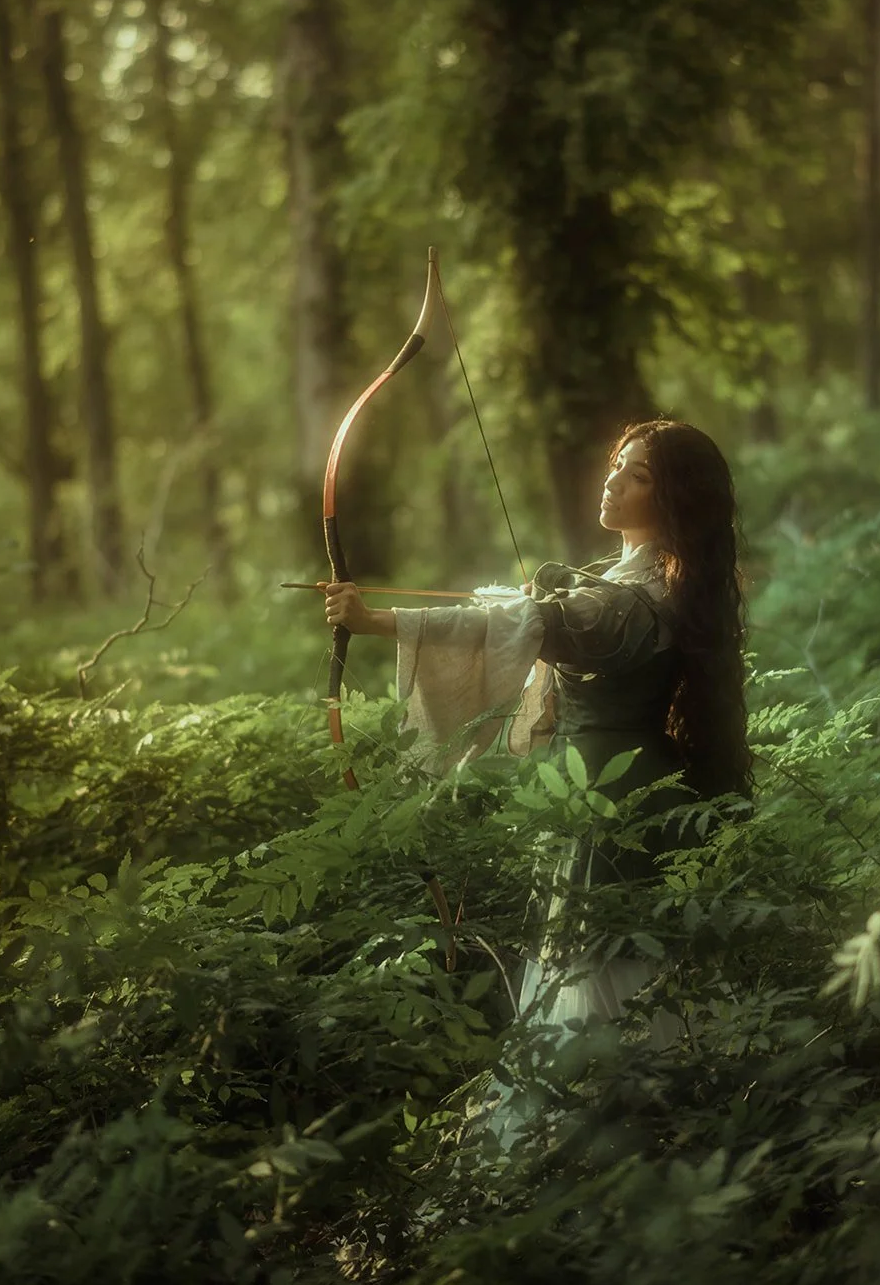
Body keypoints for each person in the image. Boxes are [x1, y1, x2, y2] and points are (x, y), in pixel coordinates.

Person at [322, 420, 752, 1058]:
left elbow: (527, 625)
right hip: (618, 780)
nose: (613, 482)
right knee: (602, 946)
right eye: (616, 464)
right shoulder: (642, 583)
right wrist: (526, 605)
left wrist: (372, 620)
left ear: (674, 500)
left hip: (608, 791)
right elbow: (534, 615)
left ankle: (613, 1092)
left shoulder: (635, 600)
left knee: (605, 955)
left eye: (638, 477)